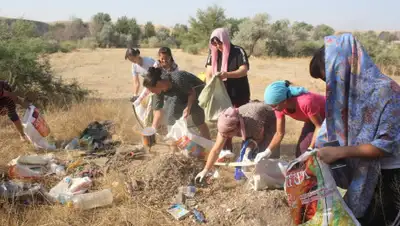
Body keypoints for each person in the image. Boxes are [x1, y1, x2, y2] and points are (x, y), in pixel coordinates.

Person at [309, 33, 400, 226]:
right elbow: (331, 126)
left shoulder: (387, 92)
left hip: (386, 176)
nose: (329, 85)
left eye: (331, 77)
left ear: (344, 66)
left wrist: (339, 152)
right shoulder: (344, 93)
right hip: (356, 172)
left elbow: (384, 146)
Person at [195, 102, 279, 182]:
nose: (226, 136)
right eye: (224, 134)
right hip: (249, 124)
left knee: (264, 152)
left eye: (228, 134)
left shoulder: (253, 124)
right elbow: (216, 150)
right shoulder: (224, 124)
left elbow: (259, 138)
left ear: (237, 128)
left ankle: (272, 176)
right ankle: (246, 177)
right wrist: (205, 170)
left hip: (269, 118)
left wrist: (250, 148)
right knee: (245, 154)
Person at [254, 80, 326, 161]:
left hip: (331, 117)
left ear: (284, 101)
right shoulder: (279, 108)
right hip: (313, 120)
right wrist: (267, 151)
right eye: (271, 106)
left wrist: (310, 149)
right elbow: (279, 133)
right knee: (301, 152)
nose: (273, 109)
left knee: (320, 152)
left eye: (274, 106)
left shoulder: (305, 102)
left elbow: (319, 126)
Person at [205, 27, 251, 151]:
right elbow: (208, 73)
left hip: (239, 93)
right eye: (214, 43)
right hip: (222, 96)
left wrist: (227, 75)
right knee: (225, 125)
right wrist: (210, 90)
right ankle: (226, 152)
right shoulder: (213, 53)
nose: (217, 46)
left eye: (219, 42)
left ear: (225, 39)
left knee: (244, 124)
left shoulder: (238, 51)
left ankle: (247, 151)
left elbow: (244, 70)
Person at [143, 67, 210, 140]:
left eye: (152, 90)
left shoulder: (177, 79)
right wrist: (153, 129)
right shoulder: (158, 91)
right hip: (179, 95)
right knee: (171, 117)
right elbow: (158, 110)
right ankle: (174, 145)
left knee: (198, 120)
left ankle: (207, 141)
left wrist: (188, 108)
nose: (152, 92)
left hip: (197, 91)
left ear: (158, 83)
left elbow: (192, 93)